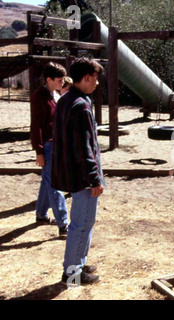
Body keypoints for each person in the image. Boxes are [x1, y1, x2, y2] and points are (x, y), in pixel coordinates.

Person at [52, 58, 105, 286]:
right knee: (81, 224)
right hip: (83, 178)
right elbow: (84, 149)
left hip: (73, 174)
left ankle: (79, 264)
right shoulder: (81, 106)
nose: (97, 83)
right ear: (86, 77)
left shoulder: (66, 99)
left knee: (83, 222)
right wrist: (94, 179)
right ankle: (72, 274)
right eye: (95, 79)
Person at [30, 62, 69, 235]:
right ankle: (63, 223)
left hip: (55, 144)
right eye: (60, 80)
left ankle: (41, 214)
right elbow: (36, 125)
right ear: (49, 79)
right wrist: (38, 151)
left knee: (48, 180)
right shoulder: (40, 96)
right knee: (55, 183)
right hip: (47, 145)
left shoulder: (54, 94)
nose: (63, 82)